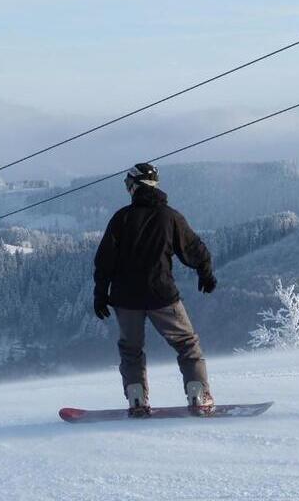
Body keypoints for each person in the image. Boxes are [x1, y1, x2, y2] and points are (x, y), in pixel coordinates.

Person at [93, 163, 218, 417]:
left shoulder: (121, 218)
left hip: (125, 298)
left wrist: (100, 293)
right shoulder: (170, 217)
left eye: (128, 185)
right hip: (162, 295)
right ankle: (198, 395)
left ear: (134, 186)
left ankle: (137, 399)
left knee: (131, 350)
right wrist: (205, 273)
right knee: (186, 344)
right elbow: (194, 249)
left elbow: (104, 260)